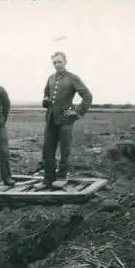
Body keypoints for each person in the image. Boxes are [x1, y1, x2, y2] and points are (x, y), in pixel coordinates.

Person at [41, 51, 93, 188]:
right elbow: (46, 94)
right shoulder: (51, 78)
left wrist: (77, 112)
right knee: (47, 149)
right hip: (51, 120)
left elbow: (87, 96)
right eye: (54, 62)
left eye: (59, 62)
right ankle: (48, 179)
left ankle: (61, 177)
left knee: (65, 149)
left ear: (65, 62)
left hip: (65, 120)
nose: (57, 65)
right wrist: (45, 100)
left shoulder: (72, 78)